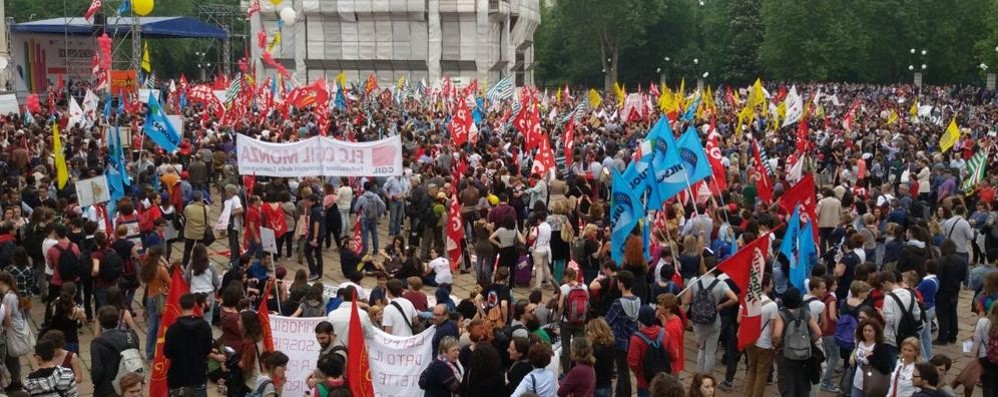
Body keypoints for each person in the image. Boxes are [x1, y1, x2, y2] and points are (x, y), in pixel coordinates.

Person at [682, 267, 737, 374]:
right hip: (713, 320)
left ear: (705, 267)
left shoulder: (694, 281)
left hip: (698, 321)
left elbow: (686, 301)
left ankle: (699, 376)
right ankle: (707, 377)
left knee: (701, 349)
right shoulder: (721, 284)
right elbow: (734, 298)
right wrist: (721, 306)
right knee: (710, 352)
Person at [773, 287, 822, 397]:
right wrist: (808, 343)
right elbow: (818, 333)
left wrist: (776, 345)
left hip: (786, 355)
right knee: (803, 386)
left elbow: (777, 335)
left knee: (787, 385)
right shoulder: (806, 314)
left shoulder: (781, 315)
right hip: (804, 356)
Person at [164, 293, 215, 397]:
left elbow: (167, 353)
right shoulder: (205, 327)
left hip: (177, 376)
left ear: (179, 305)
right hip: (198, 375)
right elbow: (207, 351)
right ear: (194, 305)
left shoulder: (173, 329)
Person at [742, 274, 779, 397]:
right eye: (771, 284)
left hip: (749, 339)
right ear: (765, 286)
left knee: (751, 369)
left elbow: (739, 319)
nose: (772, 286)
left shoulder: (747, 298)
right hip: (764, 342)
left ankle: (747, 394)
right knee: (762, 373)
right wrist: (774, 343)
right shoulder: (772, 304)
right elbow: (772, 327)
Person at [90, 306, 140, 397]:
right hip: (129, 385)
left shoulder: (97, 343)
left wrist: (96, 383)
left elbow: (97, 370)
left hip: (107, 388)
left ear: (100, 323)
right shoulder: (131, 336)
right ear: (118, 321)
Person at [628, 305, 678, 397]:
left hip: (645, 383)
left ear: (640, 320)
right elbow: (673, 355)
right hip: (663, 382)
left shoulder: (636, 339)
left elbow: (633, 363)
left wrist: (640, 375)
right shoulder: (664, 333)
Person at [606, 270, 640, 397]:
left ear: (621, 283)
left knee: (622, 370)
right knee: (625, 369)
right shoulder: (638, 300)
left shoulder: (618, 303)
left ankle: (623, 394)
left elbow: (608, 320)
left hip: (620, 340)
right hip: (633, 339)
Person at [139, 245, 170, 360]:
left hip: (150, 297)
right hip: (159, 299)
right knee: (160, 326)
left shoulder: (146, 267)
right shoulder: (161, 270)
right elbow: (170, 283)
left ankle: (150, 352)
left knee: (152, 326)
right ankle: (159, 351)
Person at [935, 240, 968, 345]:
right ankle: (953, 335)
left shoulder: (942, 260)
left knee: (942, 314)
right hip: (955, 289)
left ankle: (942, 337)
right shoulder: (961, 260)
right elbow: (964, 275)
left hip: (943, 290)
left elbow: (938, 277)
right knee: (953, 312)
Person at [849, 319, 892, 397]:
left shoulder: (880, 347)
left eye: (870, 331)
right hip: (857, 383)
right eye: (864, 330)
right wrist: (853, 358)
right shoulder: (860, 343)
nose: (867, 333)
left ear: (876, 332)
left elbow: (885, 368)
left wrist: (871, 357)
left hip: (871, 385)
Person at [558, 266, 589, 372]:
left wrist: (558, 318)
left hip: (566, 321)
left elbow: (560, 306)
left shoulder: (564, 288)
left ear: (566, 276)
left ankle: (567, 371)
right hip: (580, 320)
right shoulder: (584, 287)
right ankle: (578, 369)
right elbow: (587, 302)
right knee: (578, 346)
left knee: (566, 347)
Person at [185, 243, 220, 324]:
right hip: (209, 295)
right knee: (208, 320)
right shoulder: (210, 266)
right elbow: (217, 282)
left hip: (195, 296)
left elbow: (186, 280)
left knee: (194, 320)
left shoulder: (190, 267)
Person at [354, 181, 387, 255]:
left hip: (364, 218)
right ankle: (375, 251)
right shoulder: (375, 196)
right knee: (374, 234)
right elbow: (383, 205)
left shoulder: (361, 198)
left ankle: (365, 251)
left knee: (365, 235)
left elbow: (355, 208)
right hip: (374, 217)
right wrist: (379, 213)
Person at [656, 294, 684, 376]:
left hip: (670, 366)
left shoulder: (670, 328)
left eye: (660, 305)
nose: (657, 306)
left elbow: (674, 351)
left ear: (668, 309)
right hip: (675, 364)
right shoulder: (676, 318)